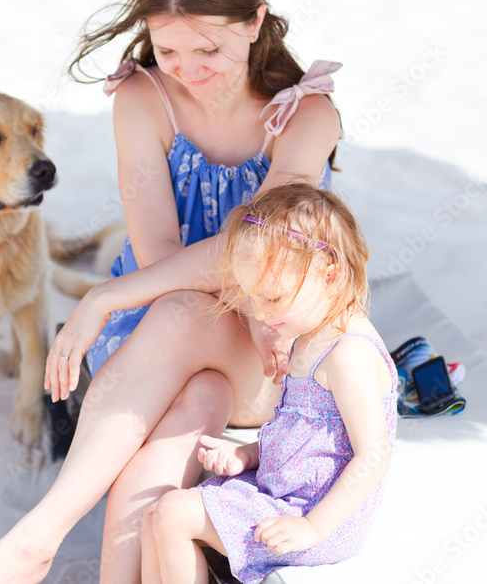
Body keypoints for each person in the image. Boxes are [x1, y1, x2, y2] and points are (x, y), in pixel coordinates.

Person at [0, 0, 343, 583]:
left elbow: (255, 251)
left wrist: (103, 294)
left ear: (255, 20)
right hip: (160, 327)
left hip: (267, 338)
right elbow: (157, 251)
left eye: (209, 47)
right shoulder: (142, 99)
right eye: (168, 47)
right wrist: (129, 294)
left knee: (186, 311)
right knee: (195, 392)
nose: (189, 67)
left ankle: (34, 541)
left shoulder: (307, 113)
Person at [142, 183, 396, 584]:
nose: (259, 312)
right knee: (156, 515)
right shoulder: (312, 335)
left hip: (315, 515)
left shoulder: (349, 354)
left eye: (272, 299)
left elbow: (374, 455)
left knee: (173, 515)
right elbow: (309, 436)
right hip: (286, 493)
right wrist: (247, 454)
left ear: (328, 273)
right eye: (251, 297)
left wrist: (311, 527)